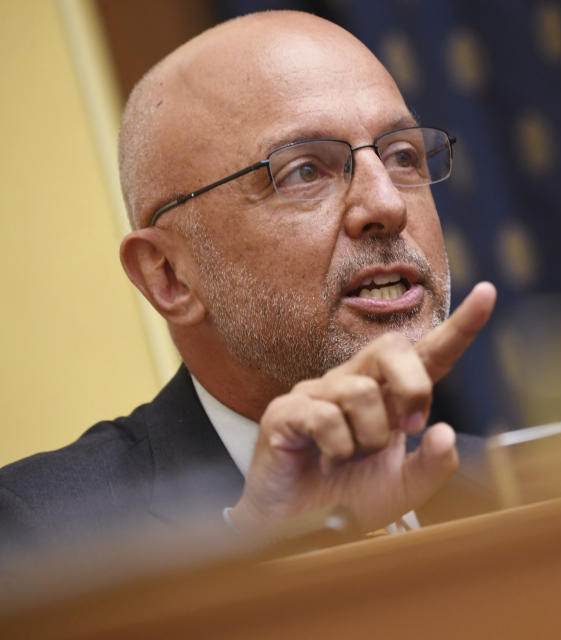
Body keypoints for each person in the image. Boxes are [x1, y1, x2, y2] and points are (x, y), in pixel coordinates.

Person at [0, 10, 498, 549]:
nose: (386, 203)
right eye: (304, 171)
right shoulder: (34, 537)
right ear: (169, 276)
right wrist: (259, 545)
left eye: (402, 155)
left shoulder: (526, 487)